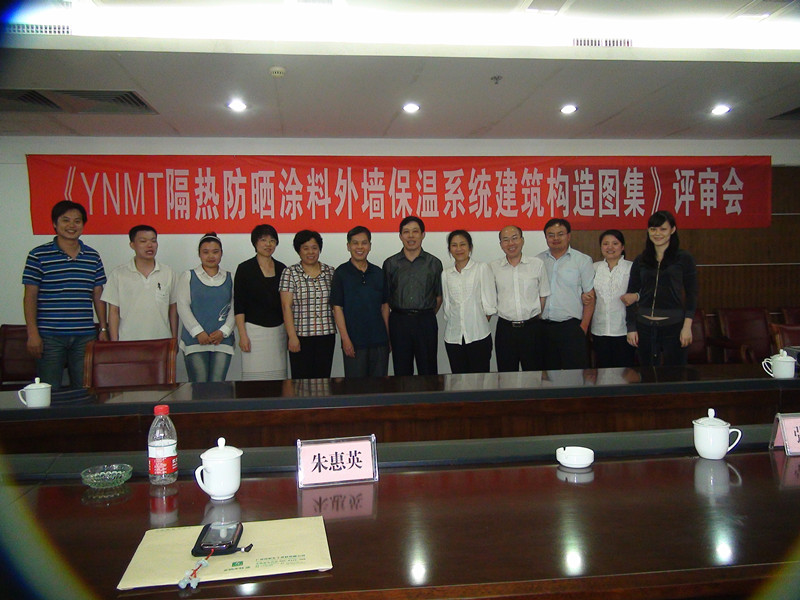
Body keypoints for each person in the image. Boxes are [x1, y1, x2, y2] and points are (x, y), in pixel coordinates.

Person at [22, 200, 108, 389]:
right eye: (65, 220)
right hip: (49, 336)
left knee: (85, 389)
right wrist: (32, 333)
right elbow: (30, 296)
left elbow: (98, 294)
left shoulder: (92, 256)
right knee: (49, 389)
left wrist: (103, 328)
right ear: (55, 223)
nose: (72, 225)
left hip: (84, 335)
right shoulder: (38, 255)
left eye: (77, 221)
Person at [622, 210, 698, 366]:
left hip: (673, 326)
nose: (657, 234)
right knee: (647, 374)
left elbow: (692, 294)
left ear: (673, 230)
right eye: (653, 229)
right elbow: (630, 295)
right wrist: (631, 327)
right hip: (644, 327)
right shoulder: (641, 260)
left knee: (675, 374)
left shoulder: (684, 258)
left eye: (663, 229)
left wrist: (687, 327)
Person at [382, 215, 443, 376]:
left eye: (415, 231)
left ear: (423, 234)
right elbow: (385, 301)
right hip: (399, 322)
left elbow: (438, 296)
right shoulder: (390, 264)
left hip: (425, 321)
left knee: (428, 370)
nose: (411, 236)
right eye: (406, 232)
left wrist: (423, 314)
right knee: (402, 372)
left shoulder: (434, 263)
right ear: (400, 236)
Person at [330, 226, 390, 378]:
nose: (360, 247)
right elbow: (337, 308)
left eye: (364, 243)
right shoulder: (341, 273)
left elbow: (385, 306)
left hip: (379, 342)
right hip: (354, 343)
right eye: (355, 243)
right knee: (356, 388)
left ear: (370, 245)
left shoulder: (378, 272)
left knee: (379, 387)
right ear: (348, 246)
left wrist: (388, 337)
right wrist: (345, 339)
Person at [102, 225, 177, 341]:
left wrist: (174, 339)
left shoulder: (168, 272)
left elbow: (173, 309)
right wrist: (115, 343)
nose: (150, 245)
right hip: (127, 341)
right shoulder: (118, 274)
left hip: (161, 341)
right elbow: (113, 311)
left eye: (153, 241)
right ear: (132, 245)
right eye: (143, 241)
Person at [490, 225, 550, 372]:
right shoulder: (493, 267)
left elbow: (543, 295)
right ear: (501, 244)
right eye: (506, 240)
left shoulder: (536, 264)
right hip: (505, 330)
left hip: (532, 329)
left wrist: (533, 317)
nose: (511, 243)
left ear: (522, 240)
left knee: (534, 374)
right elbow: (490, 297)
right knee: (507, 375)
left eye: (515, 238)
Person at [537, 218, 594, 370]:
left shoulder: (582, 260)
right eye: (551, 235)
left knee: (574, 376)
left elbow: (590, 297)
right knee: (548, 376)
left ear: (569, 236)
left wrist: (583, 328)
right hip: (544, 327)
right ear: (546, 237)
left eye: (560, 234)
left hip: (571, 328)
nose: (555, 238)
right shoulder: (537, 261)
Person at [177, 233, 235, 382]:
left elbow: (236, 307)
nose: (211, 256)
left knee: (218, 386)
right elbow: (182, 306)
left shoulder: (230, 277)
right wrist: (198, 332)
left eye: (215, 252)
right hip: (195, 342)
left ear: (221, 253)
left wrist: (224, 331)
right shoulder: (188, 276)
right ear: (199, 254)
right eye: (206, 252)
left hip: (222, 341)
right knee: (199, 386)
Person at [233, 224, 288, 380]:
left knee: (278, 379)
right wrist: (242, 335)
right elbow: (239, 305)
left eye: (272, 240)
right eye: (263, 240)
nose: (268, 244)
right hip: (253, 333)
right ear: (255, 243)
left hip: (278, 333)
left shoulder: (282, 268)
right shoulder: (244, 269)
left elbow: (286, 305)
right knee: (254, 381)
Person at [279, 230, 336, 379]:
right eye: (305, 248)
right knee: (301, 382)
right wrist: (292, 336)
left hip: (326, 335)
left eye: (314, 248)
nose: (310, 252)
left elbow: (336, 305)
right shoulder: (290, 273)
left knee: (323, 380)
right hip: (300, 336)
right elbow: (286, 306)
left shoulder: (330, 272)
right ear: (298, 250)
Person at [441, 230, 497, 374]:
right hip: (453, 339)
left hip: (478, 337)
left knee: (480, 381)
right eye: (454, 245)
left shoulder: (481, 268)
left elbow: (489, 305)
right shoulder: (446, 274)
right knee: (458, 381)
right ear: (449, 249)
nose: (459, 249)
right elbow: (447, 307)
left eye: (463, 244)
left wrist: (475, 324)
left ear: (470, 247)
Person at [590, 229, 635, 368]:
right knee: (603, 371)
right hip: (599, 330)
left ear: (622, 247)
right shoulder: (594, 268)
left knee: (624, 372)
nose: (610, 247)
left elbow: (642, 294)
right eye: (606, 244)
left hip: (624, 330)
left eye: (615, 243)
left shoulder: (632, 267)